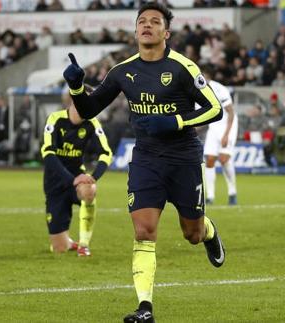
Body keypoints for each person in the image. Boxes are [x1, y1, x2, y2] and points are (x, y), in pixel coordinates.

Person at [62, 3, 225, 322]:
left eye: (154, 21)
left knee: (190, 233)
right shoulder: (123, 71)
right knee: (143, 231)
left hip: (183, 158)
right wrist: (76, 86)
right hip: (147, 160)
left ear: (166, 33)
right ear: (135, 31)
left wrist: (176, 121)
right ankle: (145, 307)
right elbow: (89, 109)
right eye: (141, 21)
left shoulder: (182, 67)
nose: (146, 25)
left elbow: (214, 108)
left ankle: (208, 232)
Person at [41, 89, 113, 256]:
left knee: (89, 190)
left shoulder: (92, 122)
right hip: (55, 181)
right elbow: (48, 154)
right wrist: (70, 179)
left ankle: (84, 244)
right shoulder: (55, 119)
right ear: (73, 101)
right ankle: (67, 242)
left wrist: (92, 177)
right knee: (59, 249)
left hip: (78, 179)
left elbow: (106, 153)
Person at [198, 66, 238, 205]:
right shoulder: (198, 91)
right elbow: (202, 116)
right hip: (213, 127)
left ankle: (232, 192)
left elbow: (231, 113)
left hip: (228, 125)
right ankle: (210, 196)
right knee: (209, 160)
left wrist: (226, 134)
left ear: (207, 76)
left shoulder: (220, 89)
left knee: (224, 159)